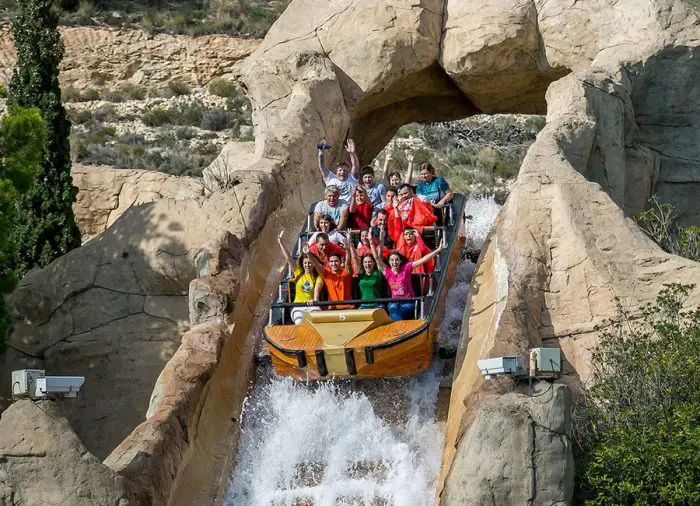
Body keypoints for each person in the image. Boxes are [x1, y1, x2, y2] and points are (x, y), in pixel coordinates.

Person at [370, 236, 445, 320]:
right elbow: (376, 258)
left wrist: (437, 250)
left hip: (408, 302)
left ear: (400, 261)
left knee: (398, 311)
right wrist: (371, 241)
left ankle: (397, 328)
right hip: (395, 302)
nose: (394, 262)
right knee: (393, 308)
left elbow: (423, 260)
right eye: (392, 260)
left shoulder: (406, 268)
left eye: (396, 260)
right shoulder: (387, 271)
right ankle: (397, 328)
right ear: (389, 262)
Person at [277, 231, 321, 324]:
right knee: (300, 323)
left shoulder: (317, 277)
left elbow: (316, 293)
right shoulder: (298, 272)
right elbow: (288, 258)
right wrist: (281, 243)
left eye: (309, 263)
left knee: (316, 323)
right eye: (305, 263)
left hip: (312, 306)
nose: (307, 265)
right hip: (299, 307)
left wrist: (314, 300)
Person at [317, 139, 359, 205]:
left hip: (348, 209)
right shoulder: (330, 178)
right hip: (332, 208)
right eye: (340, 170)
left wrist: (352, 153)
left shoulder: (352, 178)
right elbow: (322, 166)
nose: (342, 172)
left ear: (348, 172)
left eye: (344, 170)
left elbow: (355, 165)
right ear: (336, 171)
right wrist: (321, 153)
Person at [314, 241, 354, 309]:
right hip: (332, 308)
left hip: (347, 307)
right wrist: (308, 253)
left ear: (340, 262)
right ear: (328, 263)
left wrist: (347, 250)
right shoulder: (326, 273)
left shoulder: (346, 272)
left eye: (336, 261)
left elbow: (348, 264)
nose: (333, 263)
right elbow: (316, 265)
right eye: (331, 262)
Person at [350, 243, 386, 308]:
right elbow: (355, 258)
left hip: (377, 305)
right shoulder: (361, 273)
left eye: (369, 262)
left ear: (374, 263)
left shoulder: (378, 273)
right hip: (363, 305)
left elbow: (378, 257)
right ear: (363, 264)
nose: (367, 264)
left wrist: (375, 241)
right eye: (365, 262)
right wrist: (351, 245)